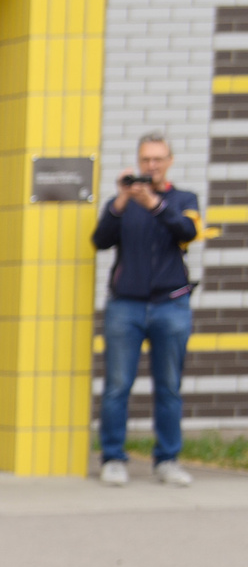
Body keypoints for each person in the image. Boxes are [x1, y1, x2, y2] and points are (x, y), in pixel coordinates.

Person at [92, 134, 200, 487]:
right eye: (145, 160)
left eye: (157, 159)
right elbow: (100, 240)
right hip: (126, 306)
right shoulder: (123, 203)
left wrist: (153, 203)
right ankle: (113, 458)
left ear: (169, 161)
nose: (151, 166)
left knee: (168, 387)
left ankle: (167, 460)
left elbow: (187, 231)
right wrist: (122, 200)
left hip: (171, 305)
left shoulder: (184, 199)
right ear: (138, 162)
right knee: (117, 386)